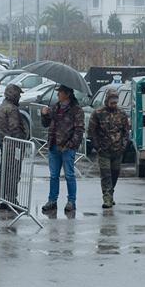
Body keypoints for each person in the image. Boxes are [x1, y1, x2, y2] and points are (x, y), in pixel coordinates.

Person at [41, 85, 85, 215]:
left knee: (69, 175)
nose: (57, 95)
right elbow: (45, 124)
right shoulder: (55, 107)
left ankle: (71, 201)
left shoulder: (76, 110)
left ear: (67, 94)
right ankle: (52, 201)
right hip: (54, 146)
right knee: (54, 175)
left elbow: (79, 130)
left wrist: (70, 145)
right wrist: (44, 114)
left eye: (60, 92)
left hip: (67, 148)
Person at [88, 89, 130, 209]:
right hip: (104, 150)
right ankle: (107, 197)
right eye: (112, 102)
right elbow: (91, 131)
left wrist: (123, 146)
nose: (114, 104)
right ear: (107, 100)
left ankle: (110, 193)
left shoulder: (122, 113)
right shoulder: (98, 113)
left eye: (115, 102)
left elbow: (126, 132)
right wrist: (97, 147)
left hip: (117, 150)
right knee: (106, 175)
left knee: (115, 174)